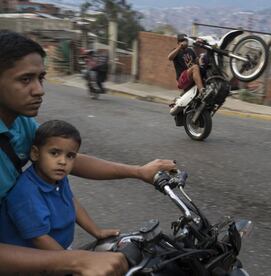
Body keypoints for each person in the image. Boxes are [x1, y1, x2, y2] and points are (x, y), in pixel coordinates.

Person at [0, 30, 175, 274]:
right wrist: (74, 261)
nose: (39, 90)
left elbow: (71, 158)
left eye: (41, 78)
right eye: (25, 79)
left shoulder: (19, 122)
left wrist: (139, 172)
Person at [0, 120, 120, 250]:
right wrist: (73, 262)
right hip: (36, 260)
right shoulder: (26, 194)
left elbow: (71, 201)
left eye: (70, 156)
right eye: (54, 153)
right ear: (35, 153)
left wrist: (97, 232)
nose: (63, 162)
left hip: (60, 250)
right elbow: (39, 238)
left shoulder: (58, 178)